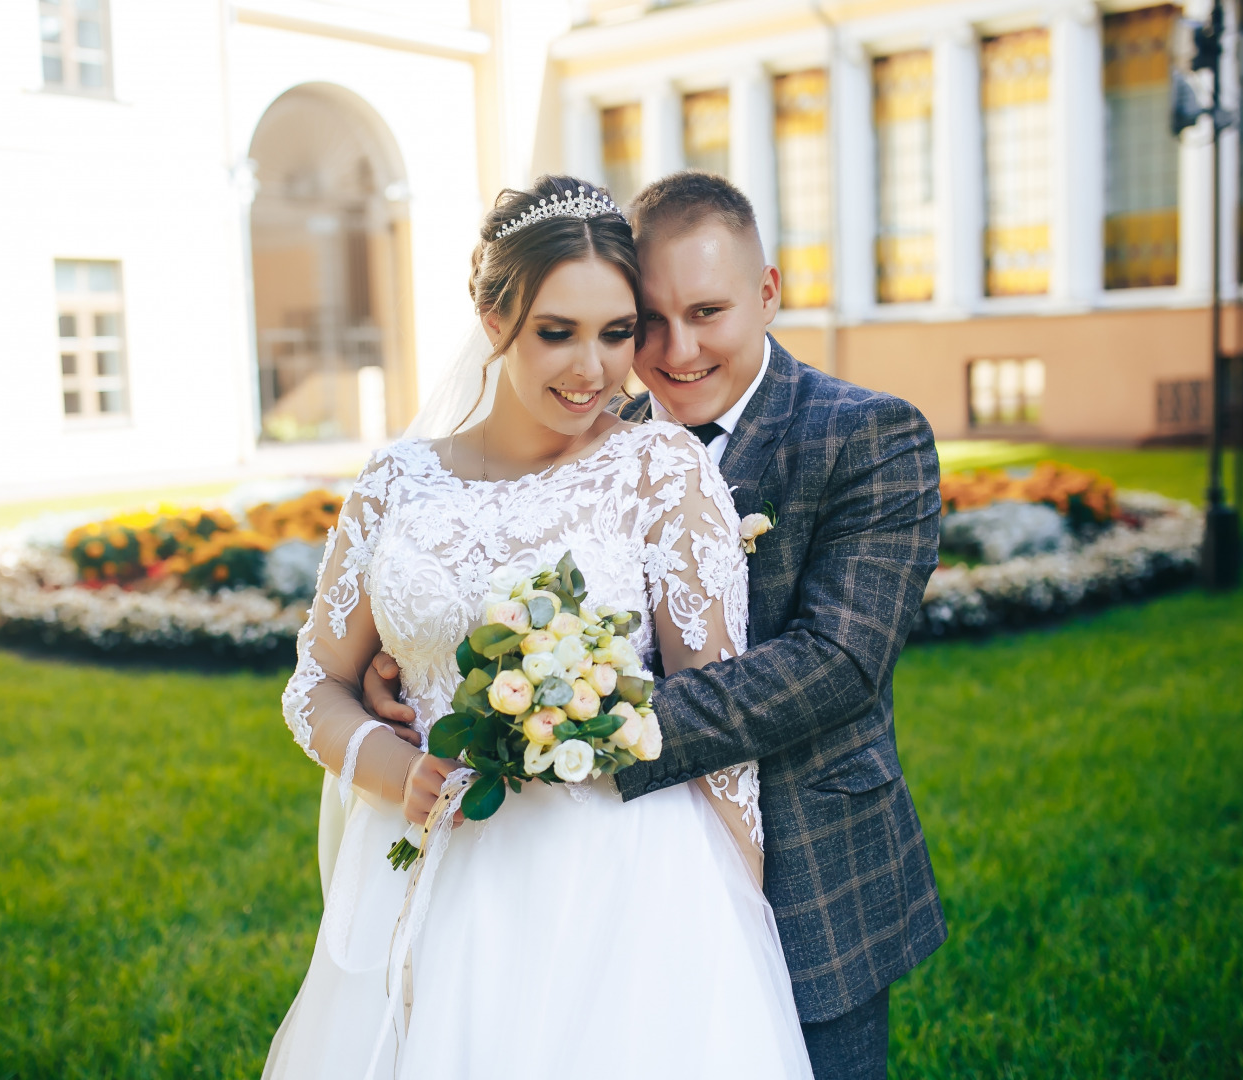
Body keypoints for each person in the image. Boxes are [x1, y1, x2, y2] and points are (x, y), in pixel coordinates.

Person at [364, 172, 947, 1080]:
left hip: (819, 873)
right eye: (651, 320)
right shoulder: (605, 433)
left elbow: (838, 661)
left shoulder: (868, 435)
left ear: (768, 293)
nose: (676, 352)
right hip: (613, 882)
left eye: (708, 313)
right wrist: (416, 665)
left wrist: (568, 718)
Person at [264, 174, 812, 1080]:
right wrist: (394, 767)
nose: (591, 369)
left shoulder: (657, 470)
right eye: (556, 332)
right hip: (430, 866)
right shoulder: (397, 484)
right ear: (493, 317)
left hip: (620, 886)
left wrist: (738, 914)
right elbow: (313, 683)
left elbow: (719, 721)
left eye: (615, 333)